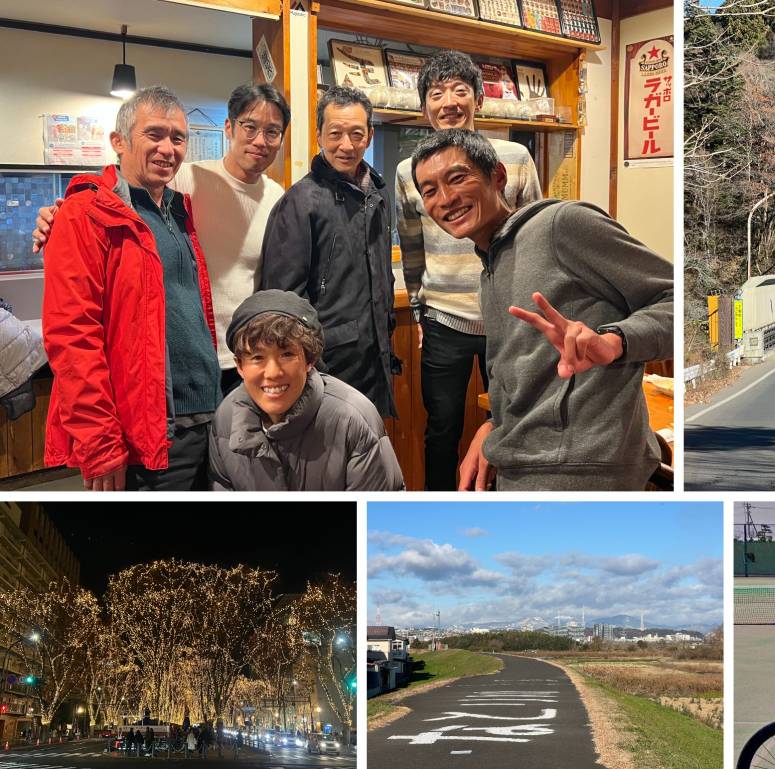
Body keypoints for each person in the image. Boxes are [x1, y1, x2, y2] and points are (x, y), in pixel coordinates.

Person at [410, 130, 673, 490]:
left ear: (498, 176)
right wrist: (494, 427)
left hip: (581, 467)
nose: (446, 198)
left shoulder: (561, 224)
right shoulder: (489, 264)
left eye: (458, 178)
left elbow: (674, 300)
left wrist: (615, 341)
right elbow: (524, 373)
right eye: (430, 191)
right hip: (522, 458)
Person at [33, 84, 290, 396]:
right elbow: (118, 191)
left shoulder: (278, 198)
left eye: (272, 131)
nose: (260, 140)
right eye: (250, 126)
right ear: (229, 127)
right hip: (177, 364)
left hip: (248, 359)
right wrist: (60, 213)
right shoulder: (186, 178)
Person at [41, 85, 221, 491]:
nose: (168, 148)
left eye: (178, 138)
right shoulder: (85, 214)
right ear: (118, 142)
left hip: (209, 420)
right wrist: (100, 444)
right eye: (154, 134)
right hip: (148, 435)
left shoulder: (179, 210)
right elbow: (71, 335)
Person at [397, 50, 542, 490]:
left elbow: (534, 235)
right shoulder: (410, 171)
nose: (449, 103)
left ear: (478, 99)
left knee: (512, 421)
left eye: (460, 90)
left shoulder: (513, 157)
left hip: (508, 318)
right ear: (425, 107)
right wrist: (420, 310)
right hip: (444, 318)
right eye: (437, 94)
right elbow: (411, 247)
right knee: (441, 428)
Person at [260, 85, 398, 417]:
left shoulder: (375, 194)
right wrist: (310, 361)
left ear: (370, 136)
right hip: (327, 365)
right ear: (319, 135)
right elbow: (283, 300)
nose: (346, 145)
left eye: (356, 134)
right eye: (335, 133)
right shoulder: (301, 201)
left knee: (366, 453)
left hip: (374, 355)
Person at [209, 290, 404, 490]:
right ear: (239, 366)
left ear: (310, 360)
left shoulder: (352, 420)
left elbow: (374, 516)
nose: (273, 372)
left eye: (286, 354)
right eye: (257, 357)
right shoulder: (226, 418)